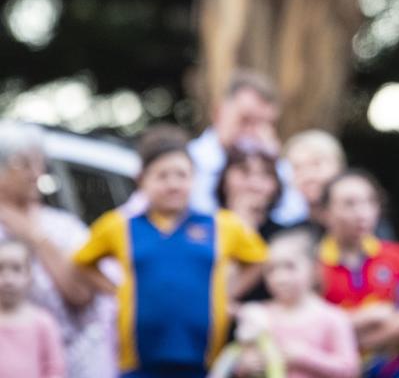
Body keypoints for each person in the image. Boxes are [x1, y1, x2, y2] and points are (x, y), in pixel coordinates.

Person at [73, 124, 269, 378]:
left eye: (181, 175)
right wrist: (118, 292)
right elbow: (82, 261)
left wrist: (224, 293)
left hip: (204, 364)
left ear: (194, 177)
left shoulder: (221, 225)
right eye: (162, 176)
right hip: (138, 364)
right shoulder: (120, 225)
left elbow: (259, 259)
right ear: (141, 179)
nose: (173, 184)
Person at [0, 122, 115, 378]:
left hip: (79, 363)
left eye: (39, 162)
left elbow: (82, 292)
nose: (35, 173)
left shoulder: (62, 226)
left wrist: (35, 238)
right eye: (23, 163)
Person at [317, 170, 399, 378]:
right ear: (325, 212)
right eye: (349, 204)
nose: (362, 212)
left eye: (370, 202)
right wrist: (371, 316)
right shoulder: (312, 265)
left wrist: (347, 336)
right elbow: (309, 326)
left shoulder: (398, 256)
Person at [213, 230, 360, 378]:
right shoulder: (257, 316)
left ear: (314, 268)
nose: (280, 278)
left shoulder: (332, 318)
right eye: (271, 270)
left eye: (289, 267)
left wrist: (305, 357)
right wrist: (244, 367)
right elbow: (237, 357)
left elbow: (349, 370)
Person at [190, 70, 309, 225]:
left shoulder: (275, 164)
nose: (254, 132)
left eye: (265, 124)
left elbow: (295, 214)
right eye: (245, 120)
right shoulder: (189, 159)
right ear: (218, 112)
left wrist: (274, 161)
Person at [218, 140, 297, 302]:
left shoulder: (286, 235)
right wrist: (239, 223)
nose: (254, 184)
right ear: (224, 180)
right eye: (244, 172)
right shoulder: (205, 227)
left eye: (265, 175)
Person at [0, 239, 66, 378]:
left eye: (16, 268)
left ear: (29, 275)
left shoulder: (43, 322)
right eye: (0, 269)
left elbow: (55, 369)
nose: (7, 278)